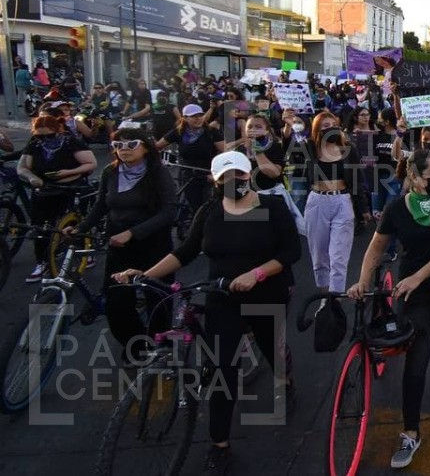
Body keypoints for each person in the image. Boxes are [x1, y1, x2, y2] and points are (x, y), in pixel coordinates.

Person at [111, 151, 300, 472]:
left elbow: (291, 251)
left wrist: (256, 274)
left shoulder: (272, 207)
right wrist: (144, 273)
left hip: (266, 294)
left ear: (248, 174)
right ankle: (219, 442)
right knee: (222, 369)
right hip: (221, 297)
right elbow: (184, 252)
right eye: (225, 178)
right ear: (215, 181)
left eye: (238, 176)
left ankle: (284, 372)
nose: (233, 183)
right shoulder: (210, 211)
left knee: (272, 350)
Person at [348, 149, 430, 469]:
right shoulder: (396, 209)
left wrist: (418, 276)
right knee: (417, 355)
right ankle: (410, 431)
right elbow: (376, 248)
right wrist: (361, 281)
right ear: (413, 176)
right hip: (414, 289)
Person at [71, 127, 176, 360]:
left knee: (157, 298)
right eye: (118, 145)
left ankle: (161, 346)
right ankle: (136, 345)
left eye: (131, 144)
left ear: (146, 147)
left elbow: (168, 212)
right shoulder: (111, 172)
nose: (124, 150)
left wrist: (133, 233)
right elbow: (101, 205)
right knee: (116, 301)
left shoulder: (158, 173)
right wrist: (80, 228)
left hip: (154, 242)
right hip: (118, 243)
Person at [17, 115, 98, 282]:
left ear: (58, 130)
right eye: (39, 136)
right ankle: (42, 262)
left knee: (74, 224)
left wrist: (68, 173)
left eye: (49, 135)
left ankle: (84, 250)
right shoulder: (34, 145)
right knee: (40, 228)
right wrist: (31, 177)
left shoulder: (70, 142)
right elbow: (22, 167)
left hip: (70, 188)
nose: (44, 139)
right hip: (44, 189)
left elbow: (91, 163)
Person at [303, 110, 361, 292]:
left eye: (333, 125)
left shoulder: (349, 149)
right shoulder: (310, 148)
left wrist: (363, 209)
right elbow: (291, 139)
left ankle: (334, 300)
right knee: (319, 257)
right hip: (317, 202)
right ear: (317, 129)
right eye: (325, 126)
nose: (330, 129)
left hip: (342, 201)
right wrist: (290, 124)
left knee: (338, 258)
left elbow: (358, 180)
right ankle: (324, 295)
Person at [157, 103, 226, 216]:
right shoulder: (178, 132)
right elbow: (157, 146)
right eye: (194, 116)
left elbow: (226, 153)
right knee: (195, 208)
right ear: (185, 118)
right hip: (188, 175)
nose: (198, 119)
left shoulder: (212, 132)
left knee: (209, 207)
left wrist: (217, 173)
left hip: (209, 175)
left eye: (200, 115)